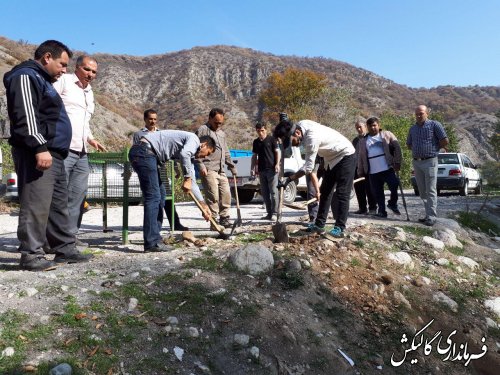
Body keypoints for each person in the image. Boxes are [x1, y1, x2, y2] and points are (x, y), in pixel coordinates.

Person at [3, 40, 93, 271]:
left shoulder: (43, 80)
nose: (64, 70)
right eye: (62, 65)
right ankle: (31, 255)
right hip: (38, 151)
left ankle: (64, 249)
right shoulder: (25, 75)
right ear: (47, 58)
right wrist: (39, 147)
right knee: (36, 203)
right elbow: (25, 115)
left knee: (58, 204)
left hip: (55, 153)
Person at [129, 130, 214, 252]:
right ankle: (151, 243)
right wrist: (187, 178)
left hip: (146, 154)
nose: (205, 157)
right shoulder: (194, 139)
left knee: (161, 195)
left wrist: (203, 204)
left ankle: (155, 239)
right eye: (208, 153)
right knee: (153, 197)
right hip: (144, 153)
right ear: (204, 144)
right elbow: (185, 156)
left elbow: (192, 182)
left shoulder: (188, 151)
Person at [53, 55, 106, 246]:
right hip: (62, 148)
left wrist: (90, 138)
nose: (90, 74)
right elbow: (48, 106)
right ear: (77, 67)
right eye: (87, 70)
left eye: (94, 72)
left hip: (82, 150)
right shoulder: (63, 81)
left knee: (78, 195)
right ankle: (50, 238)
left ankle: (70, 237)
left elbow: (83, 121)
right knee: (58, 195)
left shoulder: (89, 92)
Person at [274, 119, 356, 238]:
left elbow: (308, 168)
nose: (293, 145)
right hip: (331, 159)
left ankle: (340, 228)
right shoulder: (301, 125)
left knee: (342, 193)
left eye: (292, 141)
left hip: (346, 155)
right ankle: (319, 225)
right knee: (325, 192)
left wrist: (289, 179)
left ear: (297, 133)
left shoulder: (312, 139)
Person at [133, 109, 188, 231]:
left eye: (154, 119)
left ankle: (175, 223)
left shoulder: (161, 133)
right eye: (150, 119)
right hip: (148, 168)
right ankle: (153, 227)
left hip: (162, 168)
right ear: (145, 119)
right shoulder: (139, 135)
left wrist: (176, 168)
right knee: (153, 197)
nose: (153, 121)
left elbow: (170, 151)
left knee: (167, 197)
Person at [407, 105, 449, 226]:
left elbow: (445, 140)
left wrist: (433, 148)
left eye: (421, 113)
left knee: (430, 189)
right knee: (422, 191)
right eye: (417, 114)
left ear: (427, 113)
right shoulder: (412, 129)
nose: (419, 116)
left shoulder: (435, 125)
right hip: (417, 162)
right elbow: (409, 144)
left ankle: (432, 216)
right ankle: (427, 215)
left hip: (430, 161)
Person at [195, 108, 237, 228]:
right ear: (210, 119)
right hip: (208, 168)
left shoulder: (221, 133)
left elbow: (226, 151)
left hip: (221, 170)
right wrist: (201, 164)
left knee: (226, 194)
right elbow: (195, 149)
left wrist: (231, 166)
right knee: (213, 195)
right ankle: (214, 221)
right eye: (216, 122)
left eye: (220, 123)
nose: (218, 125)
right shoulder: (203, 130)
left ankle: (224, 218)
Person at [357, 117, 402, 218]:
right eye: (370, 126)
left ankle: (392, 203)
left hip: (387, 168)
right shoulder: (363, 141)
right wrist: (360, 170)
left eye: (374, 125)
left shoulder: (387, 134)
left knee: (394, 185)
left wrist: (398, 162)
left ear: (378, 125)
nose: (373, 128)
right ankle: (382, 211)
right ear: (367, 127)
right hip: (373, 171)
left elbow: (397, 148)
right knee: (377, 192)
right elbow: (361, 156)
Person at [251, 122, 280, 220]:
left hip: (272, 169)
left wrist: (277, 164)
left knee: (274, 192)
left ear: (266, 130)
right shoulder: (256, 142)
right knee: (265, 193)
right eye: (258, 131)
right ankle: (269, 213)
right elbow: (254, 156)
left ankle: (275, 213)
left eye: (262, 131)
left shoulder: (272, 139)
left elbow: (277, 152)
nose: (260, 133)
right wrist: (252, 168)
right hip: (261, 170)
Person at [352, 120, 377, 215]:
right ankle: (362, 208)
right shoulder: (355, 140)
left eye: (360, 127)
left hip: (368, 167)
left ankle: (373, 208)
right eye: (357, 127)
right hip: (357, 168)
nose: (359, 129)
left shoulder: (370, 138)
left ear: (365, 127)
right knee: (359, 189)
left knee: (370, 189)